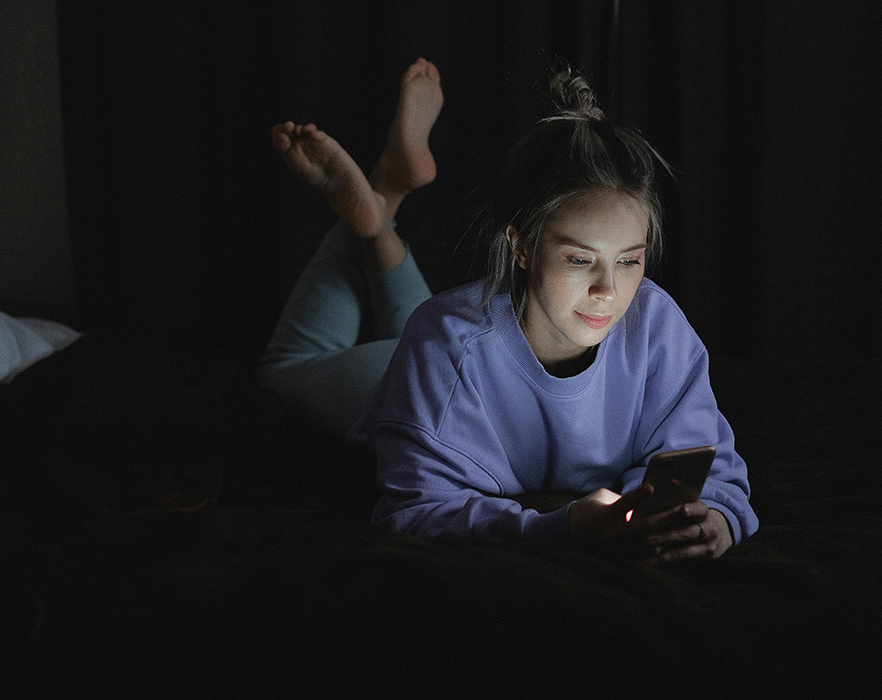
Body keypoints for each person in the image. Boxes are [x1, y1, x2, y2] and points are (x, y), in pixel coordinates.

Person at [258, 58, 757, 563]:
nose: (608, 290)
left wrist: (719, 517)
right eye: (579, 259)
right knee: (285, 369)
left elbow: (710, 468)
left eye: (629, 260)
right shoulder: (443, 348)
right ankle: (379, 203)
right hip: (404, 375)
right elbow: (414, 510)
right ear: (521, 246)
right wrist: (558, 527)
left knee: (429, 326)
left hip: (451, 350)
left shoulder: (657, 327)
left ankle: (379, 215)